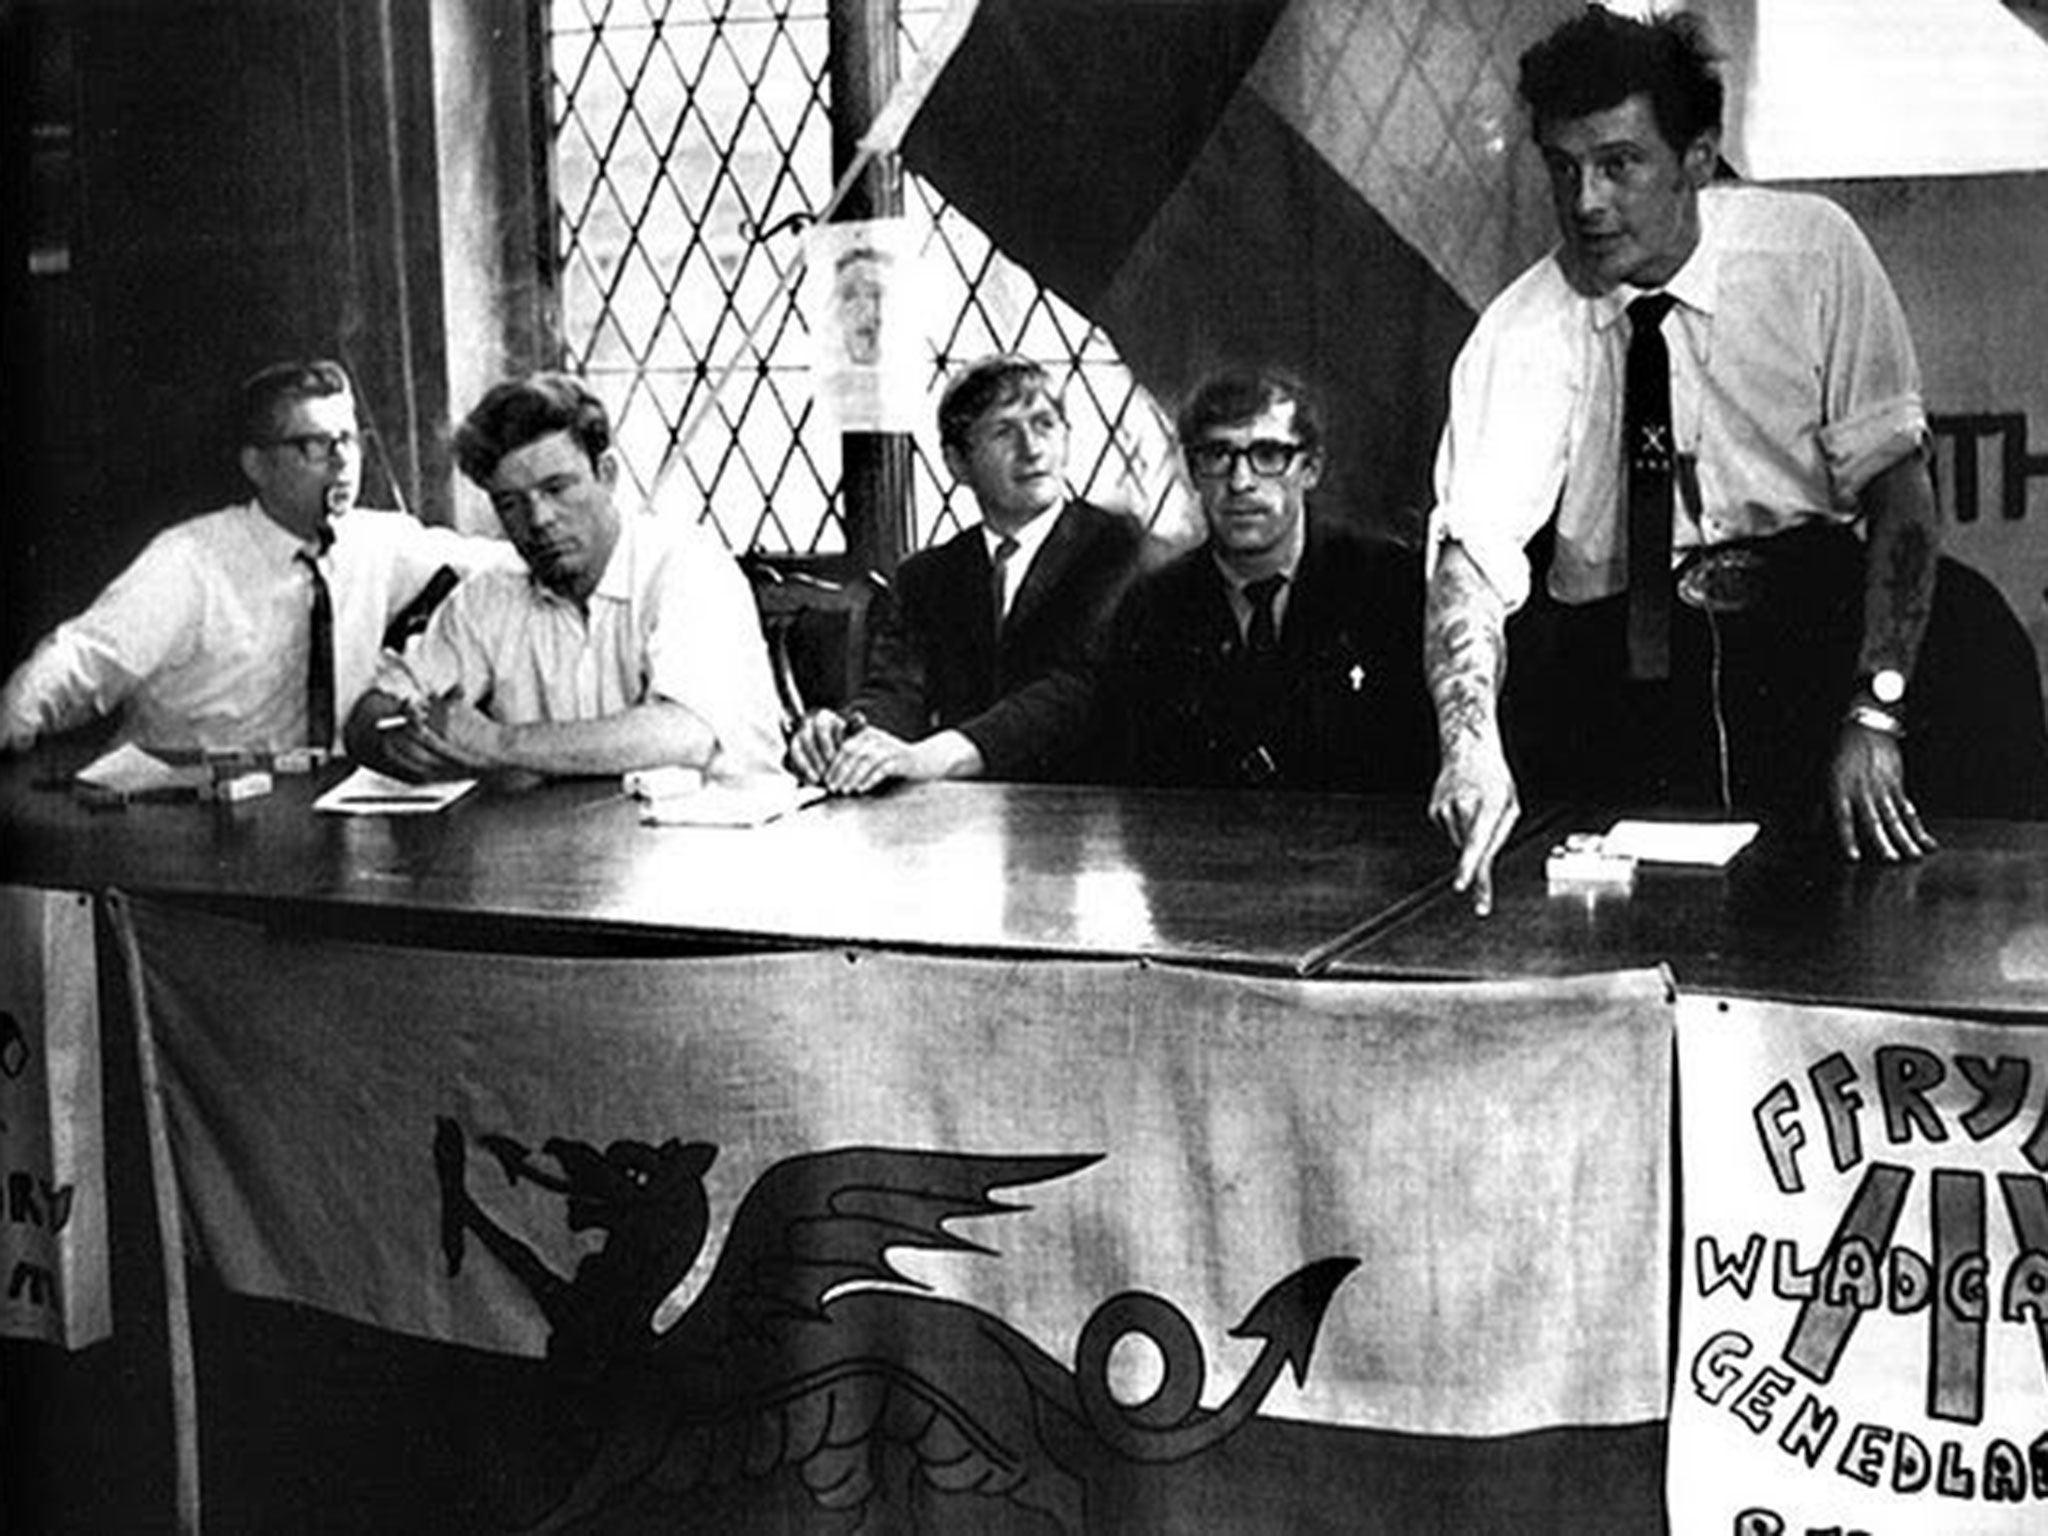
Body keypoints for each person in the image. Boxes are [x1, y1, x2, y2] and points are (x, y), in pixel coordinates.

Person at [1426, 6, 1947, 916]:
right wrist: (1469, 744)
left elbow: (1903, 501)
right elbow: (1470, 566)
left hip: (1811, 662)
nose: (1586, 202)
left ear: (1698, 158)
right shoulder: (1517, 333)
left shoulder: (1812, 255)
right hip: (1620, 683)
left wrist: (1875, 711)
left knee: (1840, 933)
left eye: (1619, 165)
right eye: (1563, 167)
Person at [0, 359, 509, 755]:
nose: (341, 462)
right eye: (313, 444)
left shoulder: (378, 541)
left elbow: (493, 563)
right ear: (256, 464)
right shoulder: (190, 560)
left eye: (349, 440)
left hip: (321, 805)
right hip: (183, 811)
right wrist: (15, 719)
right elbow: (85, 659)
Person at [342, 372, 786, 785]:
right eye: (511, 504)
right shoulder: (489, 595)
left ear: (607, 476)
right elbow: (375, 709)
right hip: (566, 852)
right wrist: (392, 740)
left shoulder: (688, 565)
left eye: (557, 489)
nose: (538, 520)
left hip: (716, 845)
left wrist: (497, 744)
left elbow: (683, 735)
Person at [787, 355, 1150, 795]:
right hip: (964, 821)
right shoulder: (927, 576)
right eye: (1003, 431)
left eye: (1045, 425)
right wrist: (846, 736)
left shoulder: (1118, 548)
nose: (1032, 449)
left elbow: (1073, 691)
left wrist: (929, 756)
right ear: (958, 463)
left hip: (1091, 814)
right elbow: (896, 692)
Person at [1095, 367, 1435, 792]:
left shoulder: (1389, 587)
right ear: (1193, 471)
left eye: (1269, 456)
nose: (1240, 482)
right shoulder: (1152, 608)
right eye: (1218, 455)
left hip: (1355, 851)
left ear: (1310, 468)